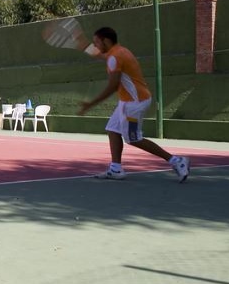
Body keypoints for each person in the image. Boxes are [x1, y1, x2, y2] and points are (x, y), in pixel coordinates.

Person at [78, 27, 190, 182]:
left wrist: (90, 104)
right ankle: (115, 169)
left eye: (96, 42)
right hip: (129, 101)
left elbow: (113, 86)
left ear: (106, 41)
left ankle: (176, 161)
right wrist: (84, 45)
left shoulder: (115, 57)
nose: (95, 45)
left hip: (134, 104)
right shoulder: (120, 51)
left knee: (133, 139)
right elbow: (100, 55)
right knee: (113, 129)